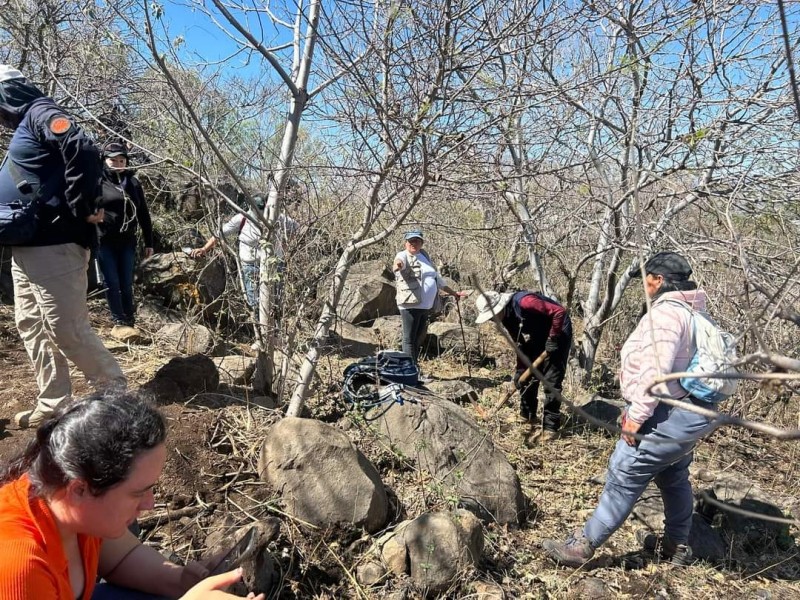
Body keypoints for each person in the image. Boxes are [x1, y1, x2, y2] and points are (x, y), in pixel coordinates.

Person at [0, 391, 265, 600]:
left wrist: (180, 581)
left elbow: (121, 558)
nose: (150, 504)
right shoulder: (18, 565)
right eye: (138, 493)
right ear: (79, 489)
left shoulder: (66, 501)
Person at [542, 251, 716, 567]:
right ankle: (675, 546)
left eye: (647, 278)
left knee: (625, 472)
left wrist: (636, 417)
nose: (644, 285)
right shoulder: (695, 313)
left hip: (664, 413)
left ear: (659, 280)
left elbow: (655, 372)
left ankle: (582, 546)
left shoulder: (665, 315)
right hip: (690, 413)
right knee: (674, 476)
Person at [0, 65, 126, 429]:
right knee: (31, 323)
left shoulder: (41, 112)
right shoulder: (29, 122)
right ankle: (53, 401)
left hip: (56, 245)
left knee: (65, 327)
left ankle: (114, 397)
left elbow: (83, 148)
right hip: (27, 247)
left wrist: (82, 205)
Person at [474, 289, 572, 442]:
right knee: (525, 377)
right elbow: (520, 344)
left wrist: (553, 338)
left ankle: (550, 428)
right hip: (538, 334)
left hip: (558, 329)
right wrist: (521, 370)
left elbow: (559, 312)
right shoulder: (505, 318)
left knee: (551, 380)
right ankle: (527, 415)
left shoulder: (526, 302)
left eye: (492, 317)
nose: (492, 320)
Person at [190, 194, 298, 309]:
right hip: (250, 266)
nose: (259, 212)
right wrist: (204, 249)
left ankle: (275, 323)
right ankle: (259, 324)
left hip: (274, 265)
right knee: (254, 301)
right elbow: (219, 234)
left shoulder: (278, 218)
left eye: (261, 209)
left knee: (275, 300)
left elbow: (296, 227)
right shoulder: (242, 218)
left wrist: (285, 246)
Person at [97, 141, 154, 328]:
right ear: (105, 160)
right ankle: (118, 319)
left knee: (126, 281)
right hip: (104, 240)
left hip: (127, 240)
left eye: (121, 160)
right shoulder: (98, 181)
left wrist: (149, 242)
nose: (117, 164)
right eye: (113, 160)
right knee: (111, 281)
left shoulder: (133, 183)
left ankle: (130, 317)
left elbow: (143, 213)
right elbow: (86, 207)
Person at [393, 230, 468, 365]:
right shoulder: (403, 255)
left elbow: (438, 280)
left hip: (425, 306)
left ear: (422, 243)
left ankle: (414, 369)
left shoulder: (424, 255)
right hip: (410, 304)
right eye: (411, 241)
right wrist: (397, 266)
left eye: (417, 241)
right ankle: (409, 371)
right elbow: (399, 262)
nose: (414, 243)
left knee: (417, 339)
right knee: (409, 339)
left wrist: (454, 293)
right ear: (406, 243)